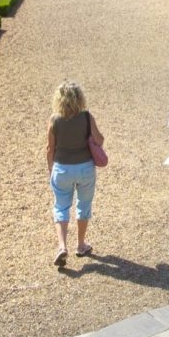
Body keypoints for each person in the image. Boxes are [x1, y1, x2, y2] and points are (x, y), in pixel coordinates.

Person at [46, 80, 102, 267]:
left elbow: (50, 149)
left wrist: (50, 169)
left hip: (62, 168)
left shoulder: (54, 120)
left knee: (61, 207)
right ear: (80, 98)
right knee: (83, 204)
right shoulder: (86, 117)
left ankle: (62, 246)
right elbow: (100, 140)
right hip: (85, 167)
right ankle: (80, 244)